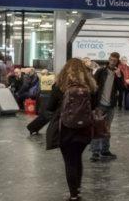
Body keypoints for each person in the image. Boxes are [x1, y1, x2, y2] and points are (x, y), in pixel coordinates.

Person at [46, 58, 98, 201]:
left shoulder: (60, 86)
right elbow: (94, 106)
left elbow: (49, 107)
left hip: (66, 129)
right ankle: (78, 190)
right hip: (85, 128)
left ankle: (73, 195)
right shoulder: (90, 86)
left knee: (69, 161)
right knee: (78, 159)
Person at [91, 52, 124, 162]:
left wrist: (119, 77)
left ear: (117, 61)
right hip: (100, 105)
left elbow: (122, 89)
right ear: (108, 60)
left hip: (111, 106)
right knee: (97, 128)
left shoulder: (119, 73)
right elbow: (93, 86)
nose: (112, 62)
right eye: (111, 59)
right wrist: (93, 104)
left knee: (107, 129)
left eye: (114, 60)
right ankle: (95, 152)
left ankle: (105, 150)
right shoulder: (101, 71)